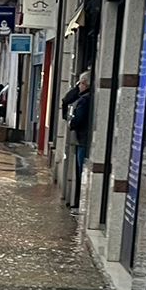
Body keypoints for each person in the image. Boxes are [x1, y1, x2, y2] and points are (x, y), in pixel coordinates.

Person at [63, 71, 94, 206]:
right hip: (83, 139)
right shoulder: (86, 97)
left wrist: (71, 123)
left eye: (80, 84)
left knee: (81, 171)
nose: (78, 87)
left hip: (83, 140)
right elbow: (66, 99)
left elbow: (77, 119)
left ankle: (78, 202)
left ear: (85, 84)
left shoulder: (84, 100)